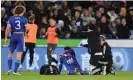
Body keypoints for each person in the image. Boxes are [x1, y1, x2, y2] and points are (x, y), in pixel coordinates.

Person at [5, 5, 28, 75]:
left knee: (10, 52)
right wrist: (26, 34)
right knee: (19, 54)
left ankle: (9, 70)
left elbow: (7, 29)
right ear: (22, 11)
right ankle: (15, 71)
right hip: (20, 36)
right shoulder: (24, 19)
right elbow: (27, 29)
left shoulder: (11, 18)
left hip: (13, 35)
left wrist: (6, 38)